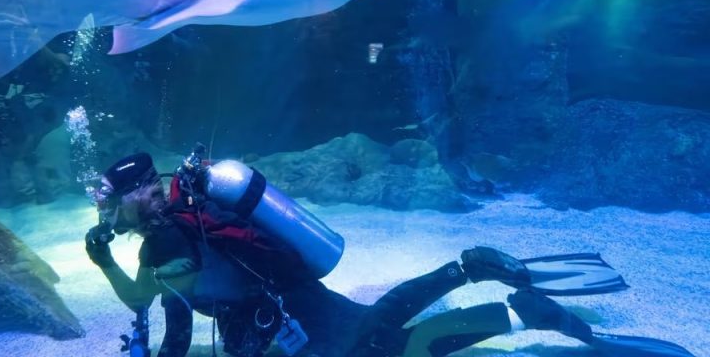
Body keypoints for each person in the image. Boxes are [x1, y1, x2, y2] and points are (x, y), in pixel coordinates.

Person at [85, 153, 694, 357]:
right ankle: (480, 283)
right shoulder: (173, 231)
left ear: (140, 194)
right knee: (380, 331)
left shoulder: (167, 236)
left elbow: (153, 301)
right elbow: (173, 317)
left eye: (110, 203)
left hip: (296, 317)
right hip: (292, 312)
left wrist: (105, 263)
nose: (107, 215)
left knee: (383, 343)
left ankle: (500, 296)